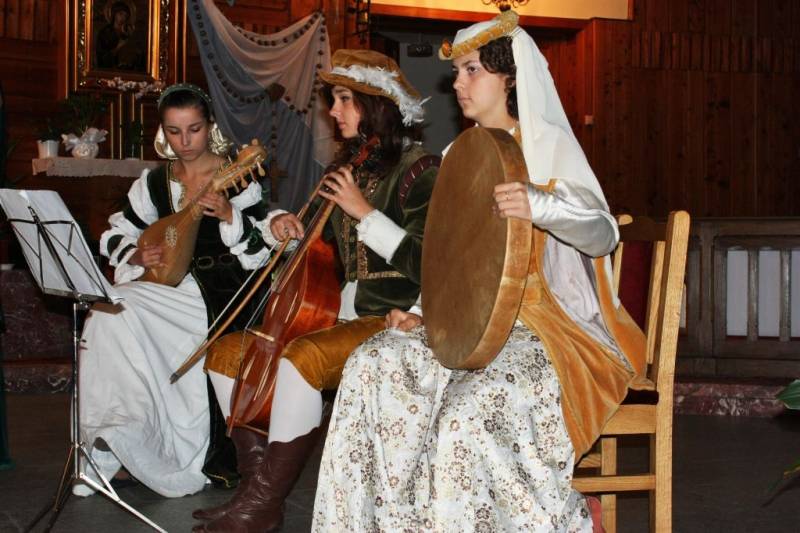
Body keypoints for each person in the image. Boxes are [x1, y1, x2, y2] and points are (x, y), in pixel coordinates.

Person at [312, 10, 646, 532]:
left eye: (472, 70)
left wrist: (541, 204)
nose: (458, 83)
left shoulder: (547, 145)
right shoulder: (458, 154)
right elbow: (451, 260)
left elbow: (604, 234)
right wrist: (421, 311)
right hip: (466, 324)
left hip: (548, 328)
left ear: (509, 77)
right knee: (370, 365)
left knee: (467, 411)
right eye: (457, 72)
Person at [191, 49, 439, 533]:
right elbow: (320, 256)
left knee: (301, 358)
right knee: (224, 354)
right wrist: (285, 230)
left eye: (344, 99)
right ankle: (256, 493)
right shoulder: (344, 171)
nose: (334, 111)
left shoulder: (421, 169)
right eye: (333, 100)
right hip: (331, 315)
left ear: (376, 105)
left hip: (396, 318)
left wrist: (364, 212)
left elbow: (430, 262)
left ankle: (264, 502)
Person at [74, 83, 272, 498]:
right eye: (174, 131)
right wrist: (135, 253)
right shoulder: (154, 183)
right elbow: (116, 232)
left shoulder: (238, 178)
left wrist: (230, 215)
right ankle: (115, 442)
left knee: (122, 309)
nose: (185, 141)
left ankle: (158, 451)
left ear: (210, 126)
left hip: (220, 294)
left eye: (194, 129)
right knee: (106, 315)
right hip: (165, 288)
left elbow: (262, 250)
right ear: (163, 131)